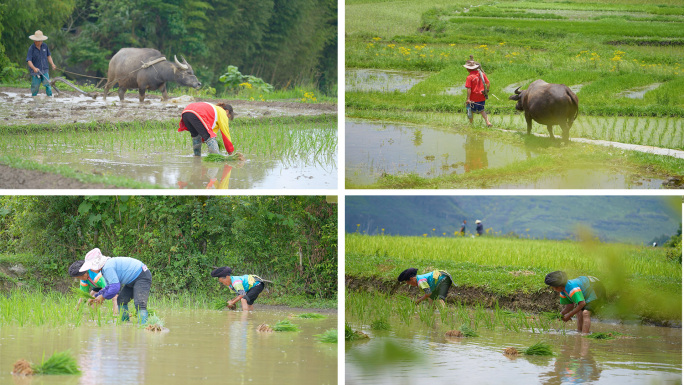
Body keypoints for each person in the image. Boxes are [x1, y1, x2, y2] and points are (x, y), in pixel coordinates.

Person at [80, 248, 151, 324]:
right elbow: (108, 287)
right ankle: (125, 324)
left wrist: (103, 297)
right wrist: (97, 295)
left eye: (91, 267)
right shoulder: (104, 269)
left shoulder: (107, 267)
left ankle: (144, 326)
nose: (90, 269)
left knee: (140, 303)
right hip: (131, 280)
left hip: (141, 275)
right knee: (121, 300)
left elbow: (115, 288)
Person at [26, 30, 57, 97]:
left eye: (41, 40)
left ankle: (50, 96)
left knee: (48, 84)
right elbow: (29, 60)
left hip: (45, 69)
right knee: (35, 86)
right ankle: (34, 97)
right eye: (38, 41)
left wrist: (52, 64)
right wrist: (34, 68)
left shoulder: (45, 46)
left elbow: (48, 56)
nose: (40, 42)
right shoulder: (31, 48)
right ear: (34, 40)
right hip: (35, 71)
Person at [464, 57, 492, 127]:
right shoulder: (482, 74)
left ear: (468, 69)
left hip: (473, 98)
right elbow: (488, 83)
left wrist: (468, 99)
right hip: (482, 96)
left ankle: (471, 124)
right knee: (482, 110)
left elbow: (469, 89)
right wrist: (487, 91)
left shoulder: (469, 77)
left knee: (470, 110)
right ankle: (488, 122)